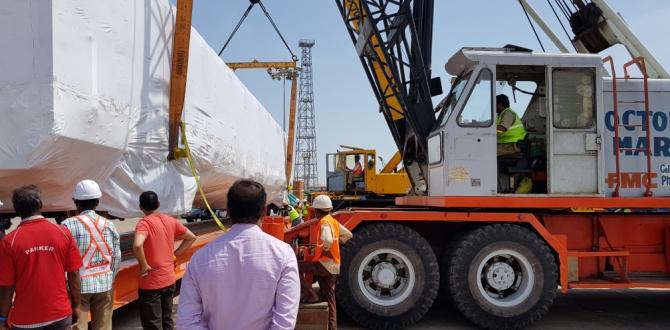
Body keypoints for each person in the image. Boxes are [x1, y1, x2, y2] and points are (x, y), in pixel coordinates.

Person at [177, 180, 300, 330]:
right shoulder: (283, 254)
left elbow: (187, 322)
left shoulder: (199, 259)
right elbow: (284, 323)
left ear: (228, 210)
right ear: (264, 211)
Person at [0, 185, 82, 330]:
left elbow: (7, 287)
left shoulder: (9, 242)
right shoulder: (62, 232)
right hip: (60, 314)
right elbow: (74, 273)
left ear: (16, 209)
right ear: (40, 204)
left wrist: (3, 318)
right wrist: (76, 305)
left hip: (25, 319)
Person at [61, 180, 121, 330]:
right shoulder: (109, 225)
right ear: (97, 201)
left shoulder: (67, 225)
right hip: (105, 283)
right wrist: (110, 276)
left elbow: (62, 260)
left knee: (77, 326)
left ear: (76, 202)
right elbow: (116, 257)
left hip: (78, 287)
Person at [133, 191, 196, 330]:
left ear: (140, 207)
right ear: (158, 204)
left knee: (153, 323)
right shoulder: (170, 220)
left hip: (151, 283)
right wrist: (175, 254)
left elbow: (137, 245)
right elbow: (191, 237)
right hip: (169, 279)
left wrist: (144, 265)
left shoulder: (144, 223)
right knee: (167, 319)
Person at [300, 195, 352, 330]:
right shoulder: (333, 221)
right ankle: (331, 326)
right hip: (334, 265)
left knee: (295, 266)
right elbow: (348, 235)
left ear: (317, 211)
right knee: (329, 298)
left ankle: (312, 295)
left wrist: (326, 249)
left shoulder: (323, 222)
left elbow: (327, 240)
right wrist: (338, 242)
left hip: (324, 264)